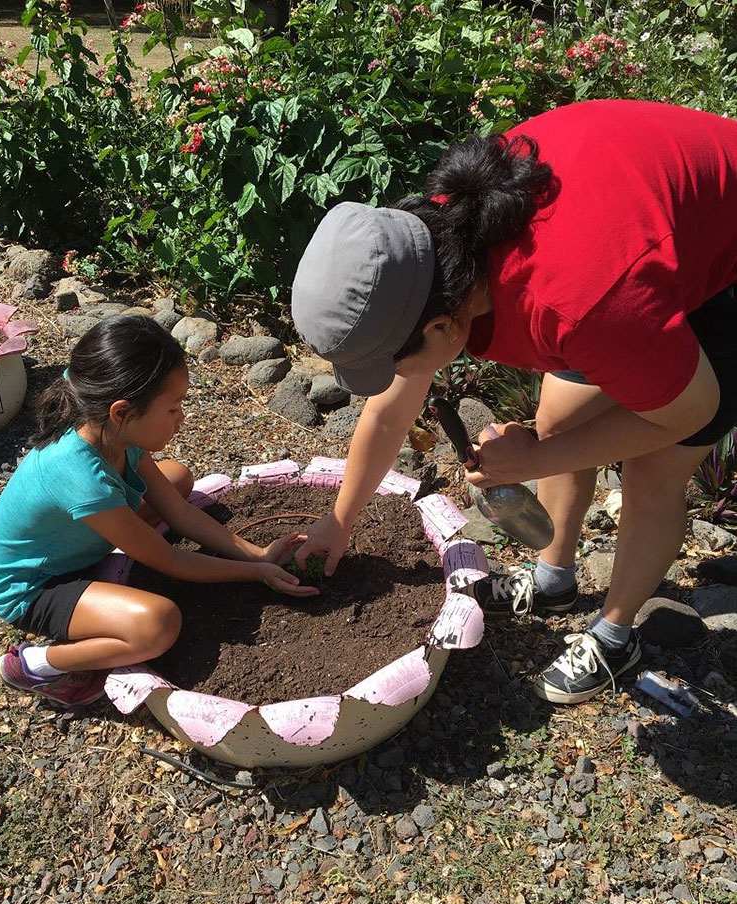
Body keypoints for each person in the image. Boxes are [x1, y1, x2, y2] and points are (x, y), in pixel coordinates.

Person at [290, 99, 737, 705]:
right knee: (556, 421)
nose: (390, 379)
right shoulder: (431, 246)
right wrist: (340, 520)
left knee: (655, 470)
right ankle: (553, 580)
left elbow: (691, 412)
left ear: (447, 329)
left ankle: (616, 633)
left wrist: (531, 463)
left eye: (391, 362)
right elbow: (392, 408)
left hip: (714, 255)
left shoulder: (582, 304)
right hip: (636, 234)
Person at [0, 315, 317, 708]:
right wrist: (256, 572)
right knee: (158, 625)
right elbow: (169, 560)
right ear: (122, 411)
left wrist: (256, 552)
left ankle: (111, 559)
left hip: (77, 540)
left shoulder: (111, 428)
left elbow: (177, 511)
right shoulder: (78, 474)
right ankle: (36, 665)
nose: (181, 419)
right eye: (173, 408)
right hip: (35, 587)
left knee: (177, 478)